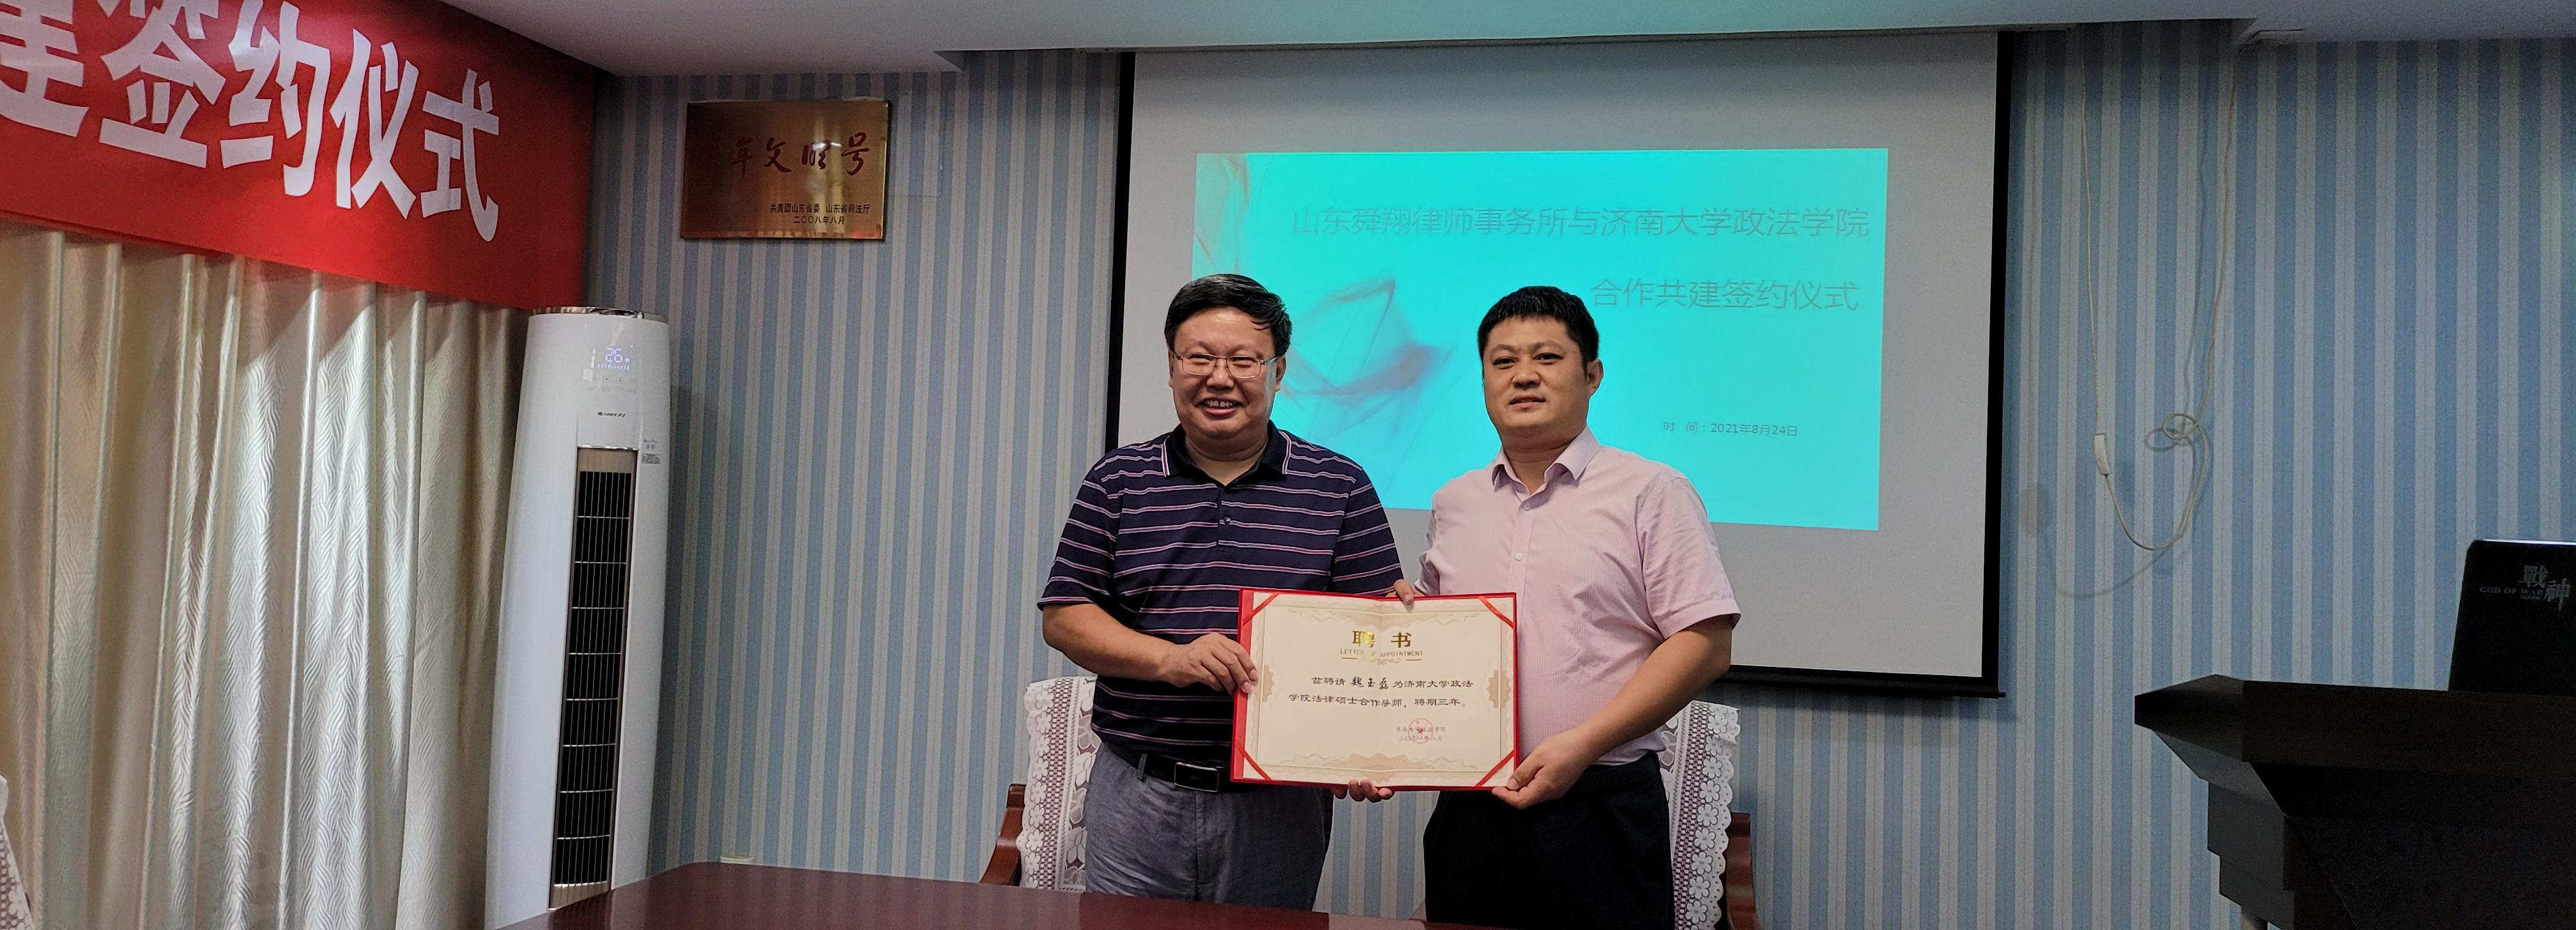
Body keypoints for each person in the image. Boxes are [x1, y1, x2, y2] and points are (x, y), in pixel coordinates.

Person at [1361, 284, 1742, 930]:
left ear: (1592, 375)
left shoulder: (1651, 491)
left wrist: (1583, 744)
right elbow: (1440, 647)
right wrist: (1383, 728)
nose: (1524, 375)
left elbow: (1705, 641)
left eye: (1546, 357)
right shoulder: (1455, 502)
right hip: (1472, 808)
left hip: (1601, 807)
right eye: (1503, 361)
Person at [1037, 273, 1405, 908]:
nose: (1219, 378)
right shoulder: (1118, 479)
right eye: (1199, 358)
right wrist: (1170, 659)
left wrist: (1369, 747)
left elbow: (1376, 634)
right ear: (1172, 366)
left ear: (1278, 371)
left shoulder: (1339, 484)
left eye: (1243, 360)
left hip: (1279, 801)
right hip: (1140, 789)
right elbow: (1066, 616)